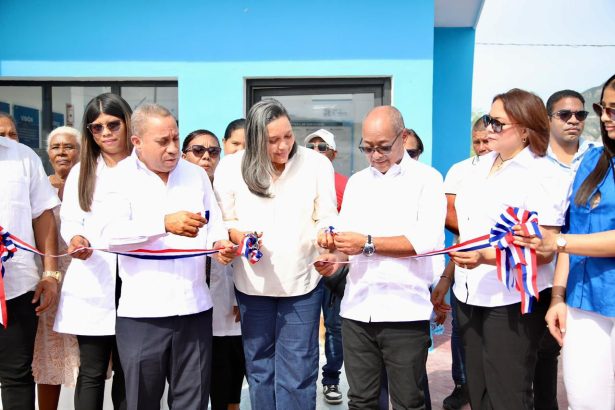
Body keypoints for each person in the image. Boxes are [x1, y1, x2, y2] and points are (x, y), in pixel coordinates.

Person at [433, 88, 570, 410]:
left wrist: (485, 257)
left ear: (524, 130)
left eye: (498, 123)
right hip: (468, 294)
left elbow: (545, 249)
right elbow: (468, 231)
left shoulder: (545, 173)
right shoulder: (476, 167)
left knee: (508, 395)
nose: (489, 129)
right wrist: (448, 276)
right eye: (488, 119)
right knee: (478, 391)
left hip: (510, 300)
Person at [99, 103, 235, 410]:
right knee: (140, 400)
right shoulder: (116, 178)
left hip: (195, 309)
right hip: (142, 314)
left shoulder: (195, 175)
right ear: (137, 141)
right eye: (163, 141)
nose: (173, 148)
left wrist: (220, 245)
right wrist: (162, 224)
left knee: (193, 401)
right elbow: (109, 235)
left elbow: (213, 224)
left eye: (175, 138)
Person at [315, 106, 446, 409]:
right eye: (367, 148)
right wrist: (334, 256)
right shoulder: (358, 182)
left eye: (383, 147)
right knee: (361, 400)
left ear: (403, 137)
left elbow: (423, 241)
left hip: (404, 311)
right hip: (357, 309)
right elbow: (348, 238)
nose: (375, 155)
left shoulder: (427, 179)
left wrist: (367, 243)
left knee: (408, 401)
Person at [214, 99, 338, 410]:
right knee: (259, 367)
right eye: (272, 140)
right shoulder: (231, 167)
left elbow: (326, 215)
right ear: (255, 139)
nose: (283, 146)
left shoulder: (316, 164)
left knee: (298, 369)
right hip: (252, 285)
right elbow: (225, 219)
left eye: (288, 136)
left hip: (302, 283)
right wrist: (240, 237)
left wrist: (326, 235)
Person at [514, 74, 615, 410]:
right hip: (583, 303)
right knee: (584, 401)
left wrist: (558, 243)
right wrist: (558, 297)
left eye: (613, 110)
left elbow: (564, 241)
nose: (605, 118)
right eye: (602, 108)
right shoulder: (592, 162)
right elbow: (574, 232)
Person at [54, 93, 131, 410]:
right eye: (97, 128)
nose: (106, 133)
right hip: (96, 278)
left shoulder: (145, 168)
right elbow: (71, 219)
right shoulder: (81, 171)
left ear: (128, 123)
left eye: (113, 124)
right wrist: (76, 238)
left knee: (130, 371)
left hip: (136, 278)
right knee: (92, 370)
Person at [533, 89, 594, 410]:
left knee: (588, 354)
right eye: (564, 115)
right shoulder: (535, 162)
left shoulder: (598, 157)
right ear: (548, 119)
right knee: (545, 349)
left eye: (580, 114)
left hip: (589, 268)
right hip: (546, 271)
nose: (573, 120)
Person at [182, 129, 245, 410]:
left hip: (225, 300)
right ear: (184, 155)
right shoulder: (177, 194)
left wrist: (240, 296)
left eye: (213, 152)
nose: (206, 157)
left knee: (226, 371)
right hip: (186, 299)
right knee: (190, 380)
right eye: (198, 151)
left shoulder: (227, 193)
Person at [0, 136, 60, 410]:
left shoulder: (23, 156)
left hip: (17, 287)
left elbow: (42, 216)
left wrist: (50, 273)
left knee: (17, 376)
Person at [433, 117, 489, 410]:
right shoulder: (460, 171)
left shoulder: (515, 172)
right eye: (476, 141)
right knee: (461, 331)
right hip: (463, 263)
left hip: (502, 270)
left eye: (487, 141)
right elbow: (450, 214)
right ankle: (462, 384)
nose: (482, 147)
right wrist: (475, 237)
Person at [32, 126, 81, 410]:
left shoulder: (90, 187)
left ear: (81, 151)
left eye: (69, 146)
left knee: (87, 360)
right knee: (48, 354)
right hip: (49, 280)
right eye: (56, 147)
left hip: (82, 281)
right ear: (48, 154)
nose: (62, 152)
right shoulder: (39, 188)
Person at [304, 128, 348, 405]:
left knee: (334, 327)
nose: (316, 151)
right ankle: (304, 382)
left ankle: (331, 379)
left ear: (333, 153)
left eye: (322, 147)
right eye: (311, 146)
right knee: (304, 329)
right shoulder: (294, 183)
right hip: (303, 268)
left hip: (333, 270)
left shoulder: (346, 184)